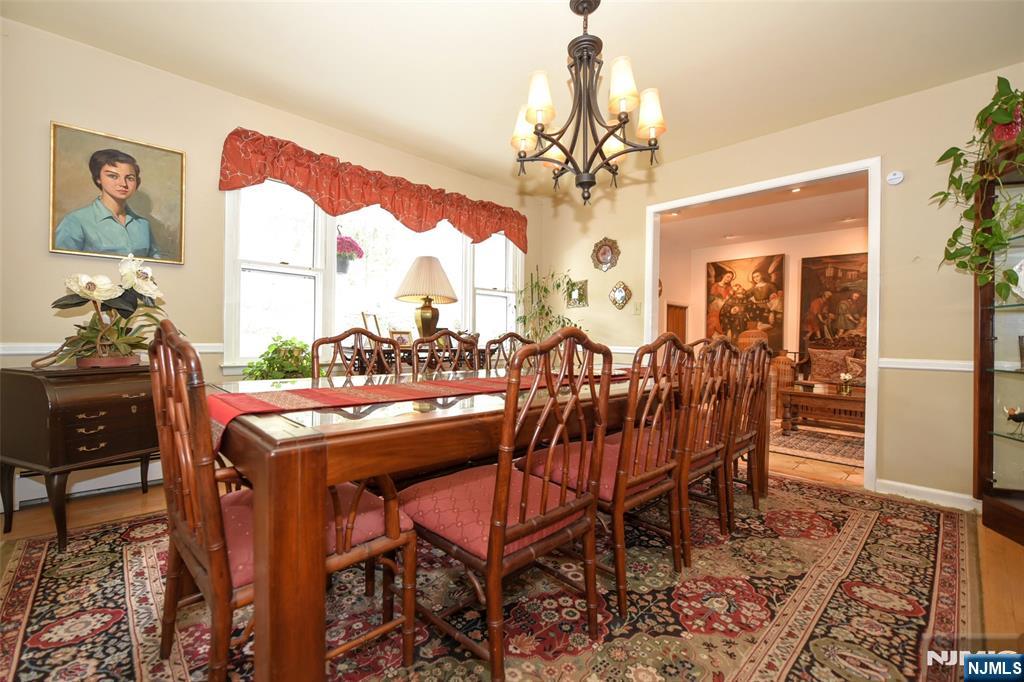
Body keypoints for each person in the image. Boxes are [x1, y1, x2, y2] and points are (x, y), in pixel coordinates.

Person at [54, 149, 162, 259]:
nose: (123, 184)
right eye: (113, 176)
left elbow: (155, 264)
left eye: (130, 178)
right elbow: (62, 264)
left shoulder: (143, 224)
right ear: (98, 179)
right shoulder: (75, 221)